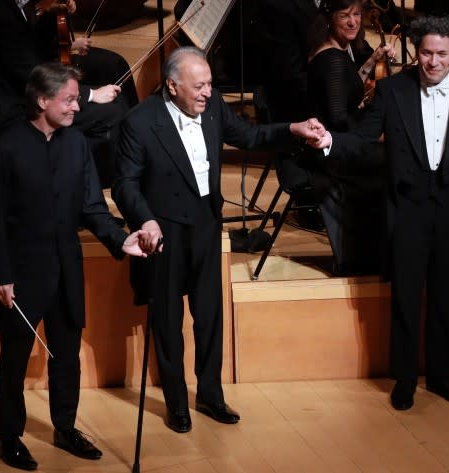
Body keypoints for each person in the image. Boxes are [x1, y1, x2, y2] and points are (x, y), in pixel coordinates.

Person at [112, 46, 326, 434]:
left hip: (207, 228)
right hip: (164, 232)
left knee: (209, 316)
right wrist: (145, 221)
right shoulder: (140, 122)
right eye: (199, 86)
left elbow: (249, 134)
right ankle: (177, 402)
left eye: (210, 83)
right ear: (172, 85)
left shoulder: (211, 107)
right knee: (168, 320)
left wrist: (292, 130)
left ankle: (210, 394)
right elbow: (125, 184)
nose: (208, 92)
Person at [309, 16, 449, 410]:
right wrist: (329, 141)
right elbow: (361, 139)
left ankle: (444, 376)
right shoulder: (393, 90)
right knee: (406, 297)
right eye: (426, 53)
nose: (433, 62)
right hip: (406, 208)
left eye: (441, 54)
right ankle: (405, 379)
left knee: (448, 296)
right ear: (416, 52)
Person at [0, 63, 149, 471]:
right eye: (69, 99)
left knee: (66, 354)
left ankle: (65, 426)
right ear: (42, 100)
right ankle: (9, 434)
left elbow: (92, 207)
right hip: (20, 271)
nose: (77, 106)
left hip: (66, 268)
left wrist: (118, 239)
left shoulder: (77, 146)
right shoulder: (5, 148)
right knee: (16, 356)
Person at [0, 0, 135, 186]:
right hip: (12, 107)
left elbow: (39, 51)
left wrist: (49, 15)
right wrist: (90, 94)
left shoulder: (14, 7)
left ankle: (129, 167)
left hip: (27, 93)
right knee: (111, 114)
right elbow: (32, 74)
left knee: (114, 95)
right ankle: (80, 189)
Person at [304, 0, 393, 274]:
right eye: (345, 16)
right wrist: (373, 134)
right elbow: (338, 119)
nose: (354, 22)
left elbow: (348, 85)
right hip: (332, 154)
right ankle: (381, 253)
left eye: (357, 14)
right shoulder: (332, 59)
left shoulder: (336, 52)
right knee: (397, 158)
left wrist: (374, 59)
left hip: (335, 143)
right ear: (330, 18)